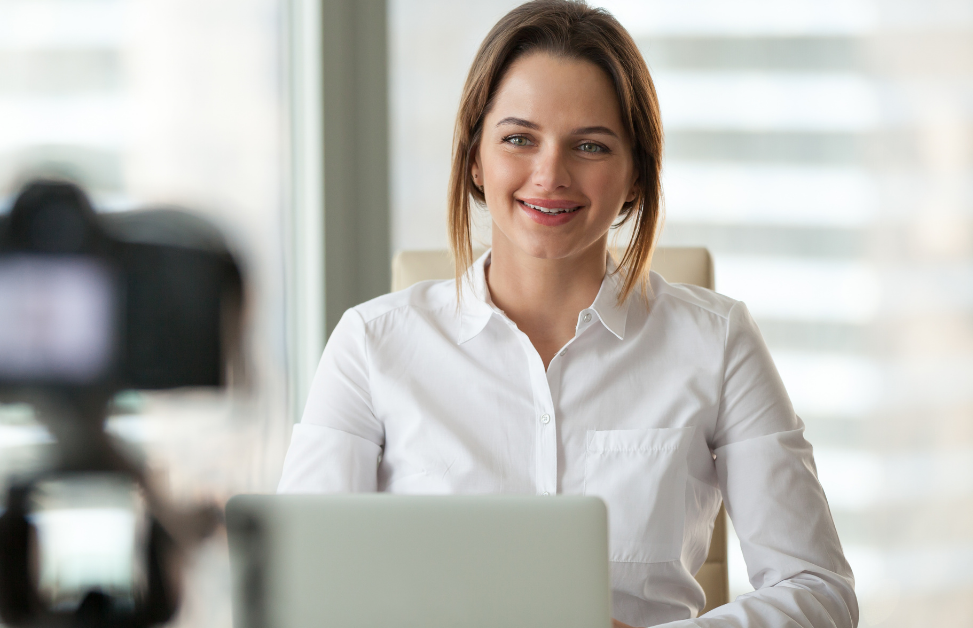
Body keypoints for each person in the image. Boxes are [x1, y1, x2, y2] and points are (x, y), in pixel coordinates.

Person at [277, 1, 857, 626]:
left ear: (637, 176)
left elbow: (820, 591)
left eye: (590, 145)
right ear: (475, 159)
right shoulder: (370, 345)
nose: (550, 174)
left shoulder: (717, 343)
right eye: (518, 139)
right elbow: (293, 592)